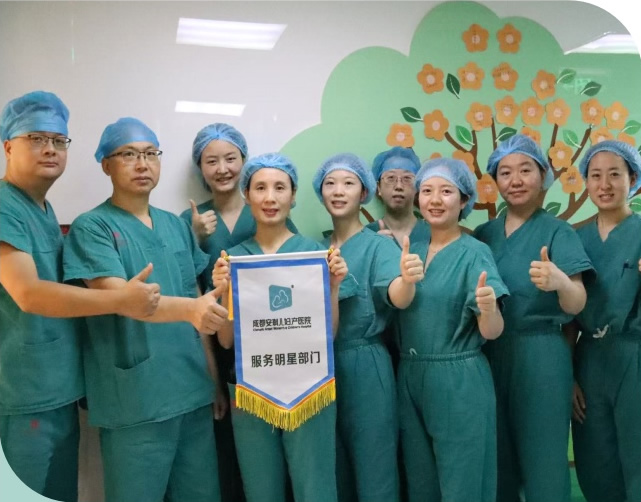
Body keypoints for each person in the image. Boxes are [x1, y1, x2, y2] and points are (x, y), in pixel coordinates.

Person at [0, 92, 160, 502]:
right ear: (8, 146)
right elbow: (28, 294)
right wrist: (120, 300)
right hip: (19, 396)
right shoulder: (4, 206)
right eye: (37, 138)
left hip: (56, 389)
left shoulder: (42, 210)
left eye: (59, 140)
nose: (50, 149)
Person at [63, 117, 228, 502]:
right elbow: (120, 298)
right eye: (129, 155)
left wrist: (213, 380)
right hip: (134, 401)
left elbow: (197, 301)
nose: (142, 164)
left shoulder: (176, 226)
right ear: (106, 165)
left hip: (191, 390)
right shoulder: (93, 228)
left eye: (151, 154)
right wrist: (191, 309)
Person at [212, 152, 348, 502]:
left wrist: (333, 288)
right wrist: (225, 291)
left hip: (309, 388)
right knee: (261, 489)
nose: (270, 198)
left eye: (279, 188)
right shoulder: (233, 259)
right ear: (246, 195)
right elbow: (225, 341)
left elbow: (329, 335)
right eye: (260, 188)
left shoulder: (314, 255)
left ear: (293, 194)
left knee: (315, 488)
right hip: (252, 392)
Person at [181, 123, 298, 502]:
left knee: (276, 455)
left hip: (270, 345)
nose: (222, 169)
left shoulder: (269, 210)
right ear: (200, 168)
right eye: (211, 161)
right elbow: (188, 284)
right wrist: (195, 237)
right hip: (217, 342)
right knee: (228, 453)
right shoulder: (191, 221)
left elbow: (297, 270)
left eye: (230, 158)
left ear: (244, 161)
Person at [473, 134, 593, 502]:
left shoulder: (558, 231)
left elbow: (577, 302)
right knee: (497, 457)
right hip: (490, 353)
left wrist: (560, 282)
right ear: (496, 181)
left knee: (544, 459)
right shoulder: (484, 235)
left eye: (525, 170)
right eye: (505, 172)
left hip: (542, 355)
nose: (515, 180)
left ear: (543, 176)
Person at [312, 153, 421, 502]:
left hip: (365, 365)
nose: (338, 191)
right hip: (321, 368)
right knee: (334, 471)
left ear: (364, 193)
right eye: (330, 183)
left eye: (348, 183)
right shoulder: (315, 251)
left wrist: (406, 281)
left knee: (375, 468)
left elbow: (396, 295)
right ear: (320, 192)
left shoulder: (378, 245)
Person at [397, 157, 507, 502]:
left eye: (446, 191)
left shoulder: (475, 253)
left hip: (458, 379)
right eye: (427, 191)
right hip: (410, 375)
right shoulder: (410, 252)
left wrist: (488, 308)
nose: (434, 199)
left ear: (464, 200)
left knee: (463, 483)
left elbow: (492, 331)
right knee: (421, 483)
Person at [566, 140, 641, 502]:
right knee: (595, 458)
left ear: (633, 180)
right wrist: (569, 376)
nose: (605, 184)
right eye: (595, 176)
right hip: (589, 360)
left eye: (614, 174)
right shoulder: (574, 239)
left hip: (634, 355)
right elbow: (566, 316)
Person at [365, 146, 429, 245]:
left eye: (407, 178)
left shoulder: (433, 233)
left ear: (417, 187)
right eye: (390, 178)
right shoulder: (367, 235)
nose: (399, 186)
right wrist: (374, 249)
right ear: (379, 188)